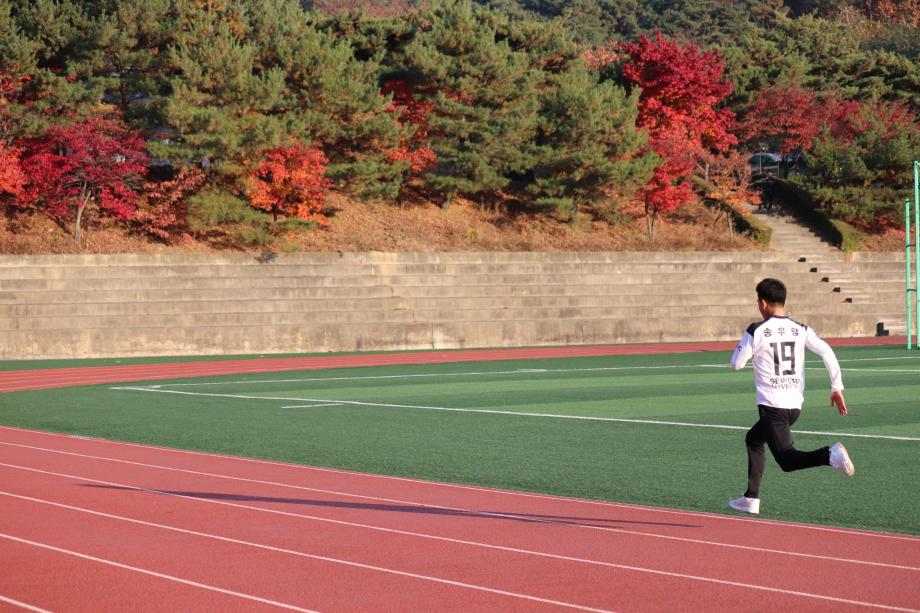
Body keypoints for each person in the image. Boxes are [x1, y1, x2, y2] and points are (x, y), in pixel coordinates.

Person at [728, 278, 854, 515]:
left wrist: (746, 347)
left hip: (772, 407)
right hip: (794, 407)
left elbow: (736, 364)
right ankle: (751, 497)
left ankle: (829, 455)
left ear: (763, 303)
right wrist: (836, 387)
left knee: (787, 461)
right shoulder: (801, 329)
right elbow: (826, 351)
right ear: (784, 301)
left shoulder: (756, 330)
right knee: (753, 439)